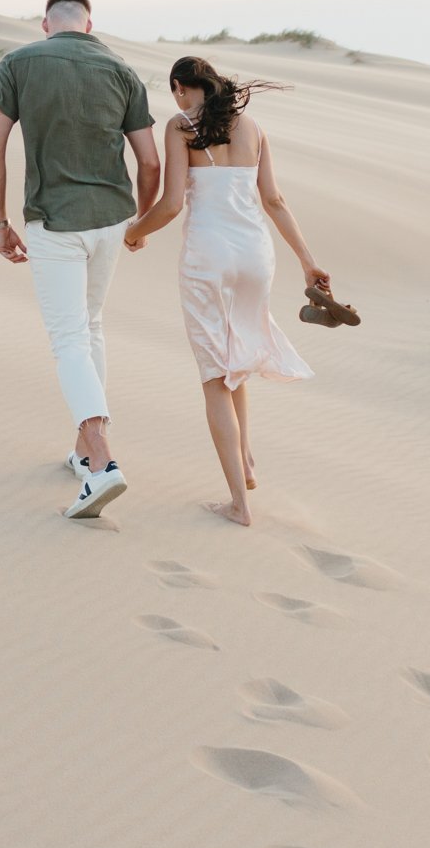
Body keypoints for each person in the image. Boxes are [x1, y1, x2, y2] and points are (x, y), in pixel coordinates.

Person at [122, 56, 326, 526]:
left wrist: (135, 232)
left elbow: (172, 204)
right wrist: (309, 262)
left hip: (208, 259)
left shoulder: (180, 126)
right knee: (236, 363)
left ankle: (238, 504)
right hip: (256, 256)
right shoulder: (252, 126)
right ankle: (247, 461)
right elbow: (274, 200)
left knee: (216, 373)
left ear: (179, 87)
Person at [0, 0, 161, 518]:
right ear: (89, 25)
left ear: (45, 24)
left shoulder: (17, 64)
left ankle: (103, 464)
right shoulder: (121, 70)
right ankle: (85, 454)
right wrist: (141, 223)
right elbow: (150, 162)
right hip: (110, 218)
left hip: (54, 220)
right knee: (91, 326)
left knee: (67, 339)